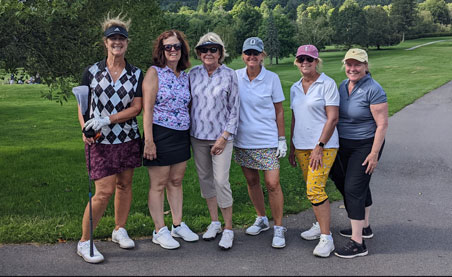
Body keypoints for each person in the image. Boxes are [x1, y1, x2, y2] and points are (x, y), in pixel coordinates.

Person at [76, 14, 143, 263]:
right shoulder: (91, 72)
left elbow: (137, 108)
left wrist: (109, 119)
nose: (117, 42)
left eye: (121, 39)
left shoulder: (136, 73)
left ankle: (119, 229)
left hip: (127, 137)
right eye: (113, 38)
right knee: (103, 192)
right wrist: (86, 129)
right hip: (100, 141)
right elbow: (82, 106)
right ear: (105, 42)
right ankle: (84, 242)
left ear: (127, 43)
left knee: (124, 185)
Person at [142, 30, 198, 250]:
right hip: (160, 134)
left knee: (176, 181)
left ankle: (177, 224)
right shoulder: (154, 73)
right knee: (158, 184)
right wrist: (149, 140)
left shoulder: (185, 75)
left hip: (181, 134)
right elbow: (147, 110)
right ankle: (159, 230)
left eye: (176, 46)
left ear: (182, 49)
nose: (173, 50)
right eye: (168, 47)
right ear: (161, 50)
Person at [331, 48, 388, 258]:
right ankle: (364, 226)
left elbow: (382, 125)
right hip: (343, 145)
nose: (352, 68)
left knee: (353, 188)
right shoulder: (343, 85)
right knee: (350, 182)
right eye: (349, 64)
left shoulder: (374, 89)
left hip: (365, 145)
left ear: (365, 66)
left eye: (357, 64)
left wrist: (374, 154)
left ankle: (358, 243)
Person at [234, 37, 287, 248]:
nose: (252, 57)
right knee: (252, 181)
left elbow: (279, 110)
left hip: (267, 139)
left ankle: (279, 227)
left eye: (256, 53)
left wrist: (281, 139)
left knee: (273, 184)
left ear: (262, 55)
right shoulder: (235, 76)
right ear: (243, 55)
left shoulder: (272, 78)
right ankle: (262, 218)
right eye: (248, 53)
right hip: (243, 139)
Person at [189, 32, 240, 250]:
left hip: (222, 138)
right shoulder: (193, 74)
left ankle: (228, 228)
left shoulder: (229, 75)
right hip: (198, 137)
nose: (209, 53)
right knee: (206, 180)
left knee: (221, 181)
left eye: (213, 49)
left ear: (220, 53)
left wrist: (224, 137)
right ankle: (214, 222)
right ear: (199, 53)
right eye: (204, 50)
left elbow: (235, 109)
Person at [288, 45, 340, 257]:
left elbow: (333, 117)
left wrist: (319, 146)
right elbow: (295, 118)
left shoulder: (327, 84)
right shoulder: (295, 87)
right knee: (312, 187)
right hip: (301, 146)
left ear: (317, 61)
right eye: (301, 59)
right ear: (297, 62)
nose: (305, 62)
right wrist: (292, 146)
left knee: (315, 189)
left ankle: (327, 239)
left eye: (309, 59)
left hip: (324, 146)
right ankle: (320, 224)